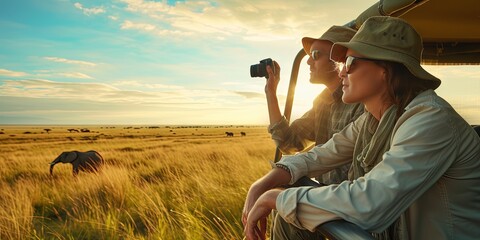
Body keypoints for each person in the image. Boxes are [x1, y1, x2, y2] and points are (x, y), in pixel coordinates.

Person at [243, 16, 480, 240]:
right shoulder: (374, 119)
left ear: (385, 69)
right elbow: (322, 154)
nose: (342, 70)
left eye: (350, 62)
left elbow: (371, 200)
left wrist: (277, 198)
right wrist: (264, 182)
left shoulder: (430, 120)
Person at [265, 25, 364, 185]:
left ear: (341, 60)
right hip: (324, 196)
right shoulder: (322, 102)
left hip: (346, 199)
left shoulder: (362, 103)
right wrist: (271, 93)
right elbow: (289, 143)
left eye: (316, 55)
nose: (309, 61)